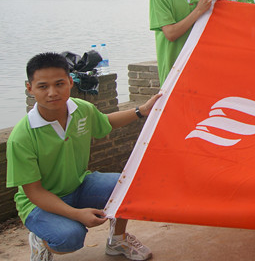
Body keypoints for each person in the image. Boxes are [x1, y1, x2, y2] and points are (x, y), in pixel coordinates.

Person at [6, 52, 163, 261]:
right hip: (38, 203)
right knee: (70, 237)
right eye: (43, 86)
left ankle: (117, 241)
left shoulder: (81, 109)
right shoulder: (21, 137)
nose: (52, 92)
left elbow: (105, 122)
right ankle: (40, 239)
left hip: (79, 184)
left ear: (70, 82)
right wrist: (77, 215)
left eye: (59, 84)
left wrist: (141, 111)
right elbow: (34, 192)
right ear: (30, 88)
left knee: (128, 187)